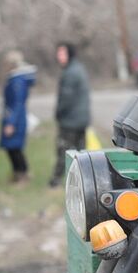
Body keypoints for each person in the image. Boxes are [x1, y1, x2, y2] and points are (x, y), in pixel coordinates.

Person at [50, 43, 91, 187]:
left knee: (64, 151)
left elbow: (66, 98)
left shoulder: (70, 73)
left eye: (62, 53)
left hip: (70, 121)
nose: (58, 56)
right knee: (81, 153)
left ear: (69, 54)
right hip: (81, 120)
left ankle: (55, 181)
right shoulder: (78, 68)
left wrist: (58, 113)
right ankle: (84, 182)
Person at [0, 50, 37, 184]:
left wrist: (11, 123)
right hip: (13, 117)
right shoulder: (14, 79)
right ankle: (17, 174)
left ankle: (23, 174)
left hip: (16, 119)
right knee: (12, 148)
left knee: (15, 148)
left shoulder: (17, 81)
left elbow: (17, 103)